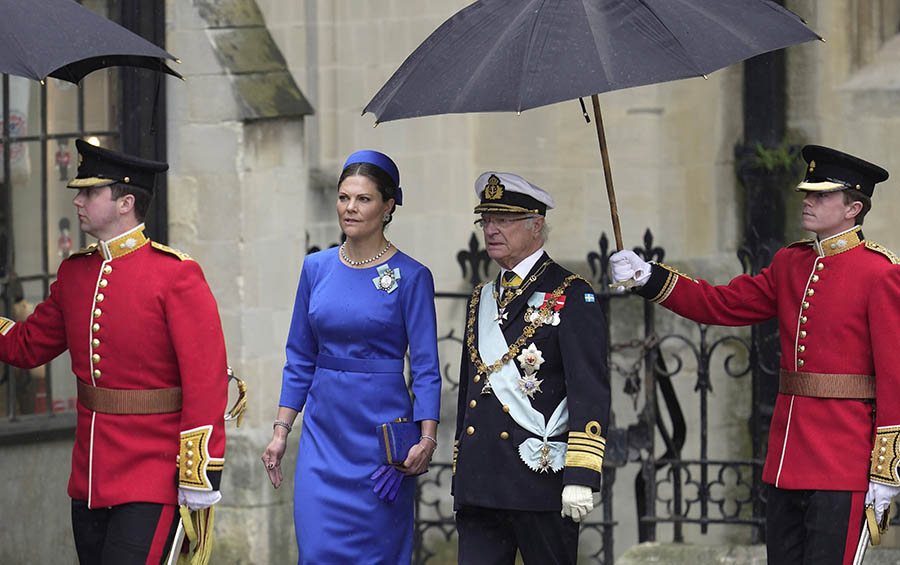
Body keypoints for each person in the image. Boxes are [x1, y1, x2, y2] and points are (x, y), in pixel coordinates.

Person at [611, 145, 900, 565]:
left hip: (845, 463)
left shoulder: (881, 272)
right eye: (808, 192)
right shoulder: (790, 263)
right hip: (787, 460)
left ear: (853, 207)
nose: (808, 200)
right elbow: (722, 304)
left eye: (821, 195)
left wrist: (886, 469)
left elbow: (894, 377)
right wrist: (647, 276)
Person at [0, 139, 229, 563]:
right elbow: (25, 346)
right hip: (89, 478)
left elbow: (206, 379)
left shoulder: (176, 275)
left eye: (89, 191)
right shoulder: (75, 273)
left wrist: (199, 472)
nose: (78, 199)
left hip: (154, 474)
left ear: (125, 202)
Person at [261, 150, 442, 564]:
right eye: (344, 198)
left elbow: (428, 368)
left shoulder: (412, 276)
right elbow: (300, 357)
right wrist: (281, 431)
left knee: (376, 554)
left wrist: (427, 438)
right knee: (318, 550)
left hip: (380, 442)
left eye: (363, 199)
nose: (350, 208)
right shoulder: (315, 268)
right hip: (322, 439)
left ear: (388, 206)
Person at [452, 171, 610, 564]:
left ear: (536, 225)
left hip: (539, 484)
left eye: (503, 220)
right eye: (486, 220)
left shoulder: (572, 294)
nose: (491, 229)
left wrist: (582, 474)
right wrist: (462, 471)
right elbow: (467, 394)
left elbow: (589, 390)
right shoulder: (481, 298)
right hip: (482, 484)